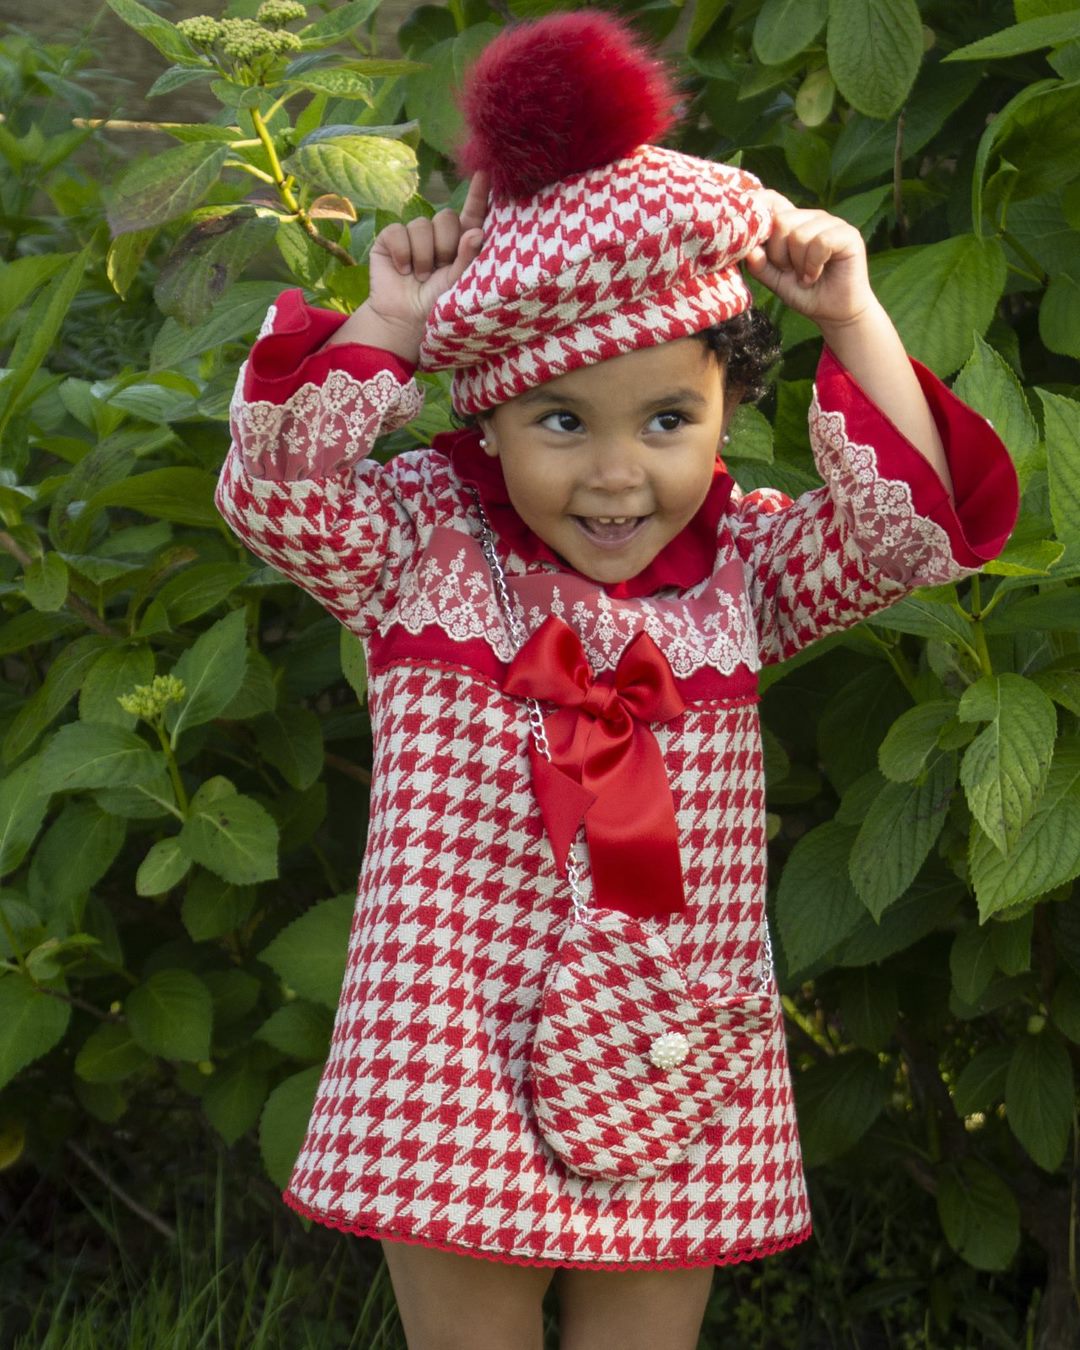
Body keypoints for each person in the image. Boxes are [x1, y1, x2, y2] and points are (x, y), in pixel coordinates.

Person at [214, 12, 1018, 1349]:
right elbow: (276, 490)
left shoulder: (745, 568)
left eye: (667, 420)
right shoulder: (419, 544)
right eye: (560, 420)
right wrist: (391, 319)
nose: (614, 473)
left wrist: (854, 316)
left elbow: (914, 532)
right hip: (450, 1051)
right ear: (487, 417)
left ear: (726, 409)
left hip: (671, 1042)